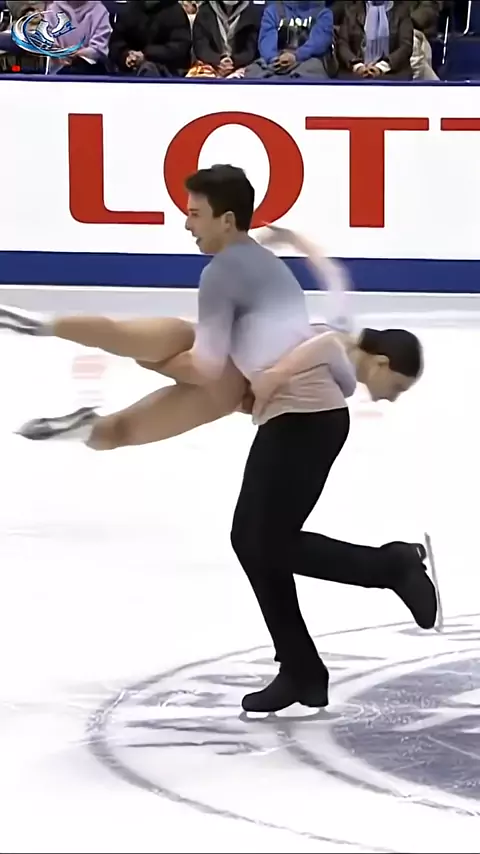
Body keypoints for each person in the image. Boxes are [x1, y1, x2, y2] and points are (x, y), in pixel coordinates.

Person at [0, 166, 437, 714]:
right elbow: (320, 294)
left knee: (263, 542)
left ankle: (389, 568)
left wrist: (168, 363)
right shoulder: (267, 268)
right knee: (255, 542)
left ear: (226, 219)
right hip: (300, 420)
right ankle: (303, 668)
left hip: (305, 421)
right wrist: (292, 246)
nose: (187, 224)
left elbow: (214, 365)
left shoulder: (231, 277)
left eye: (194, 213)